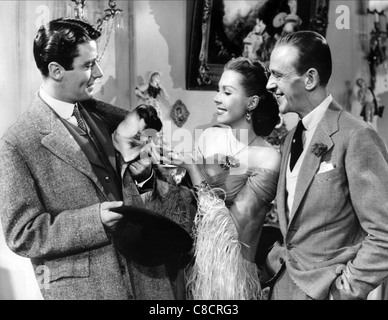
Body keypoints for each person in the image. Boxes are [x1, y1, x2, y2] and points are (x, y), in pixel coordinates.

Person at [0, 18, 174, 300]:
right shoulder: (18, 143)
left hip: (148, 282)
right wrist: (95, 221)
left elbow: (160, 193)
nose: (99, 73)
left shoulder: (116, 118)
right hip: (85, 291)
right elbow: (23, 234)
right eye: (89, 65)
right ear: (56, 70)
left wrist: (145, 176)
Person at [264, 30, 388, 300]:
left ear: (310, 78)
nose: (269, 85)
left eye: (278, 75)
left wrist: (345, 291)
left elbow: (385, 233)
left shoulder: (356, 136)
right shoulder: (289, 139)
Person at [147, 57, 281, 299]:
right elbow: (185, 203)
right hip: (192, 269)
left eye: (227, 92)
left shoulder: (267, 158)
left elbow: (230, 229)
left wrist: (193, 168)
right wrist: (158, 167)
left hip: (231, 279)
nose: (216, 98)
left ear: (251, 103)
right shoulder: (210, 137)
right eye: (218, 90)